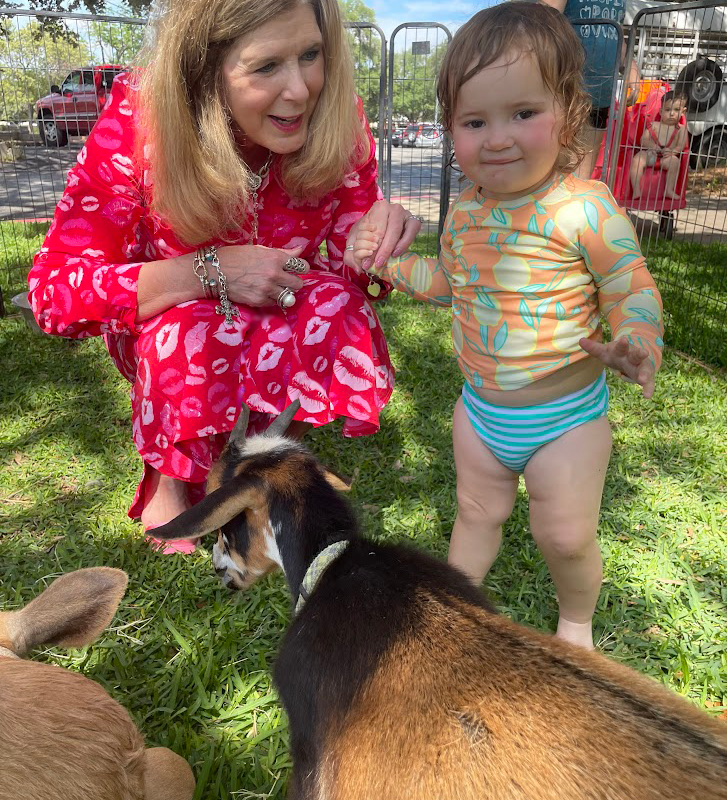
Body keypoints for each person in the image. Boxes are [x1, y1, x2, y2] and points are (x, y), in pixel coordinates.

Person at [28, 0, 418, 553]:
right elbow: (54, 291)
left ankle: (267, 460)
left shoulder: (338, 114)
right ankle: (168, 474)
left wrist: (375, 241)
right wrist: (207, 271)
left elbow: (347, 270)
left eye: (311, 55)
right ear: (205, 69)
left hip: (283, 300)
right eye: (267, 66)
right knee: (183, 331)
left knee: (340, 310)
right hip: (174, 318)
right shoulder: (140, 115)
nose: (301, 90)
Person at [350, 2, 664, 649]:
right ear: (450, 128)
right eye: (474, 122)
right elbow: (451, 283)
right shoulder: (465, 212)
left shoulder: (583, 208)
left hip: (566, 417)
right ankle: (454, 620)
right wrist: (392, 267)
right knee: (475, 514)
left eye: (522, 113)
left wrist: (637, 337)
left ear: (568, 112)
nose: (496, 138)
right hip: (480, 413)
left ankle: (575, 623)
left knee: (565, 535)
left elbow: (629, 284)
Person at [542, 0, 628, 180]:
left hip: (601, 93)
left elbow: (617, 32)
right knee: (555, 170)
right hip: (566, 90)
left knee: (581, 177)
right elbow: (544, 20)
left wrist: (630, 66)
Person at [630, 90, 688, 201]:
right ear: (661, 112)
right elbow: (643, 140)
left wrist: (672, 152)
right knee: (637, 159)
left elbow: (681, 146)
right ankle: (636, 190)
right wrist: (652, 145)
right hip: (650, 154)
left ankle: (669, 190)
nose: (671, 113)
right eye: (668, 110)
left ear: (683, 112)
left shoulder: (681, 129)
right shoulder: (654, 125)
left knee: (675, 162)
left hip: (667, 158)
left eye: (676, 110)